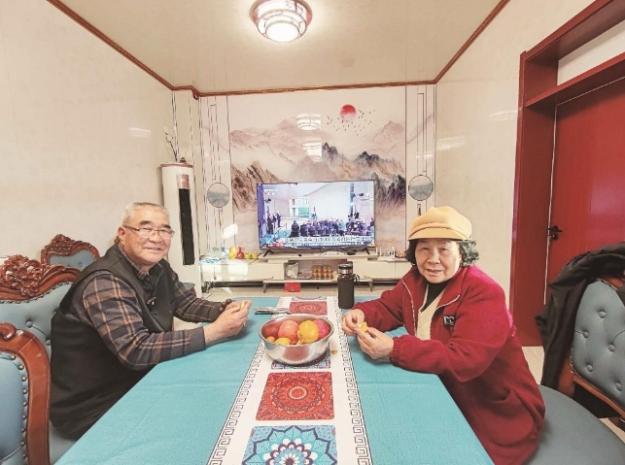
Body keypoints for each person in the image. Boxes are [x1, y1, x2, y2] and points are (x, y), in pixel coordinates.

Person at [342, 206, 544, 465]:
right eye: (424, 248)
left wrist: (395, 349)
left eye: (444, 249)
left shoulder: (484, 292)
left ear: (463, 252)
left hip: (494, 408)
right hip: (446, 388)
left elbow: (465, 360)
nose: (433, 259)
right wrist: (362, 313)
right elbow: (389, 307)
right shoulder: (414, 279)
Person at [50, 202, 250, 439]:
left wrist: (224, 309)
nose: (157, 238)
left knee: (223, 391)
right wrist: (214, 332)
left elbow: (184, 304)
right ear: (122, 233)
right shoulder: (105, 281)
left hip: (140, 380)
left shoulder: (158, 267)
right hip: (95, 405)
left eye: (164, 230)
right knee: (205, 415)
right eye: (146, 229)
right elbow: (136, 350)